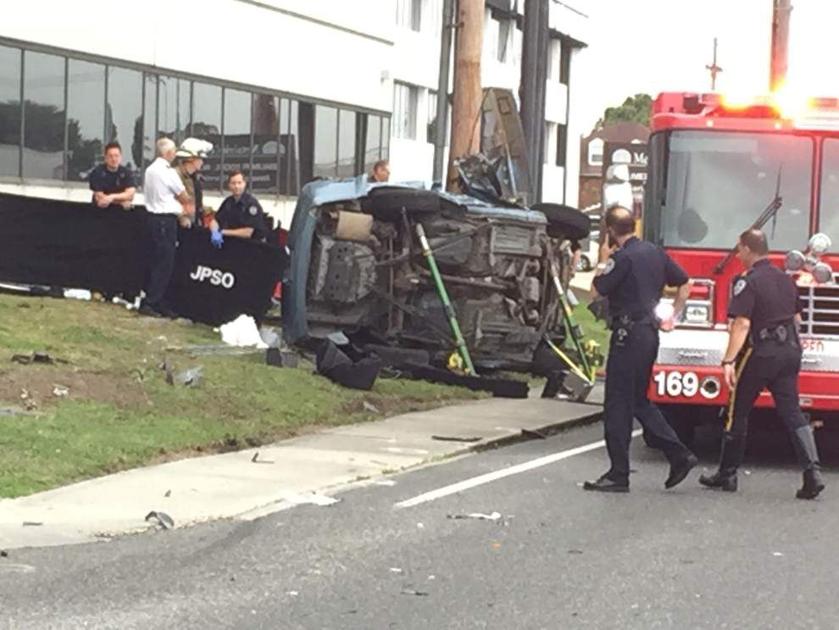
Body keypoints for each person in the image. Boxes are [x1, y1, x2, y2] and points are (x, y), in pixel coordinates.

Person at [700, 229, 824, 499]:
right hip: (789, 351)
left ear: (746, 249)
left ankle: (728, 474)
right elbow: (798, 319)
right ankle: (812, 473)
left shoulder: (749, 281)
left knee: (738, 410)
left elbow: (742, 323)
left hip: (760, 353)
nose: (739, 255)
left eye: (740, 250)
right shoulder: (785, 279)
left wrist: (729, 360)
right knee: (792, 412)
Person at [583, 206, 697, 492]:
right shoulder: (654, 252)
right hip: (649, 333)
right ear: (633, 226)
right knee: (638, 401)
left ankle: (619, 473)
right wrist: (673, 316)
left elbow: (596, 292)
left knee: (617, 405)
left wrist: (602, 261)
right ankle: (678, 454)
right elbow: (684, 282)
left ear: (609, 231)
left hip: (627, 335)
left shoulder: (621, 258)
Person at [140, 137, 191, 318]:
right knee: (165, 263)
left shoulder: (149, 170)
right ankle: (151, 302)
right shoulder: (167, 172)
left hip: (152, 218)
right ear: (169, 153)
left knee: (156, 260)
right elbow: (184, 195)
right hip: (165, 220)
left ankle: (156, 299)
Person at [210, 170, 268, 246]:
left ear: (244, 184)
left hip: (252, 246)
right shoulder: (228, 202)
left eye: (239, 183)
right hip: (234, 244)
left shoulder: (252, 204)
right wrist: (215, 232)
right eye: (233, 183)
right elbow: (215, 221)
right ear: (229, 185)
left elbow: (248, 232)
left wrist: (222, 232)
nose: (236, 186)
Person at [88, 142, 136, 209]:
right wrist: (121, 202)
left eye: (116, 156)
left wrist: (111, 197)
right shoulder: (97, 172)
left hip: (121, 215)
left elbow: (130, 195)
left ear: (121, 157)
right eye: (110, 156)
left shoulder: (127, 173)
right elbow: (100, 199)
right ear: (105, 158)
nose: (114, 159)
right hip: (100, 214)